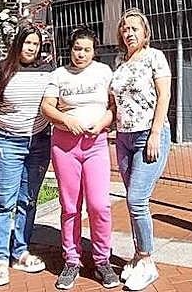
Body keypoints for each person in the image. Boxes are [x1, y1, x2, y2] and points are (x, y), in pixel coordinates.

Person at [41, 29, 120, 290]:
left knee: (99, 205)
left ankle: (102, 260)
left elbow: (113, 107)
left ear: (94, 51)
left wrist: (102, 123)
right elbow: (46, 107)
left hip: (95, 145)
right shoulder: (58, 74)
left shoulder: (104, 72)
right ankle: (72, 261)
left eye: (86, 49)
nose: (81, 54)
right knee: (70, 206)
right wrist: (66, 119)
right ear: (71, 49)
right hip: (65, 147)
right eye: (77, 48)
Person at [0, 22, 54, 286]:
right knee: (4, 201)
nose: (31, 48)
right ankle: (0, 258)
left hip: (39, 143)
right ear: (17, 43)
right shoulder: (1, 69)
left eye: (36, 44)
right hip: (7, 141)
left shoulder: (47, 71)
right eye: (27, 42)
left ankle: (20, 252)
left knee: (29, 200)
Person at [108, 9, 172, 291]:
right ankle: (137, 255)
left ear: (145, 32)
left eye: (134, 28)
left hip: (148, 134)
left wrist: (155, 133)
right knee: (133, 201)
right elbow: (114, 101)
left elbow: (164, 95)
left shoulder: (155, 57)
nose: (129, 33)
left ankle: (147, 261)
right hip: (124, 137)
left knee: (137, 199)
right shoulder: (120, 62)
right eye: (125, 28)